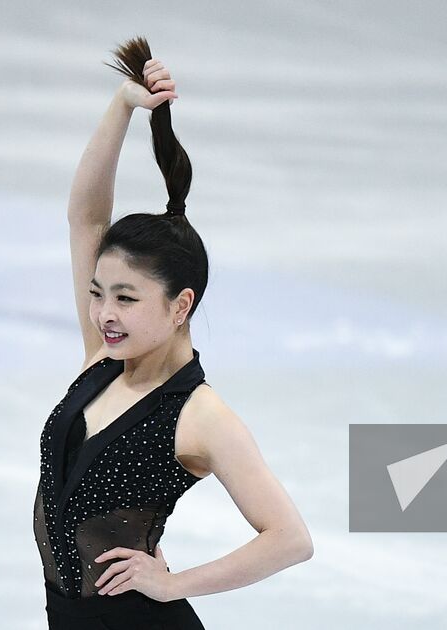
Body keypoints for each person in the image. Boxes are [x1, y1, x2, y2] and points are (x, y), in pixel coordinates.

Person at [32, 37, 313, 630]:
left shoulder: (200, 415)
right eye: (97, 293)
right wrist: (123, 105)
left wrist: (173, 584)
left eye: (126, 298)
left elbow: (290, 538)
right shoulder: (102, 363)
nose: (104, 314)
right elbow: (86, 218)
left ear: (181, 305)